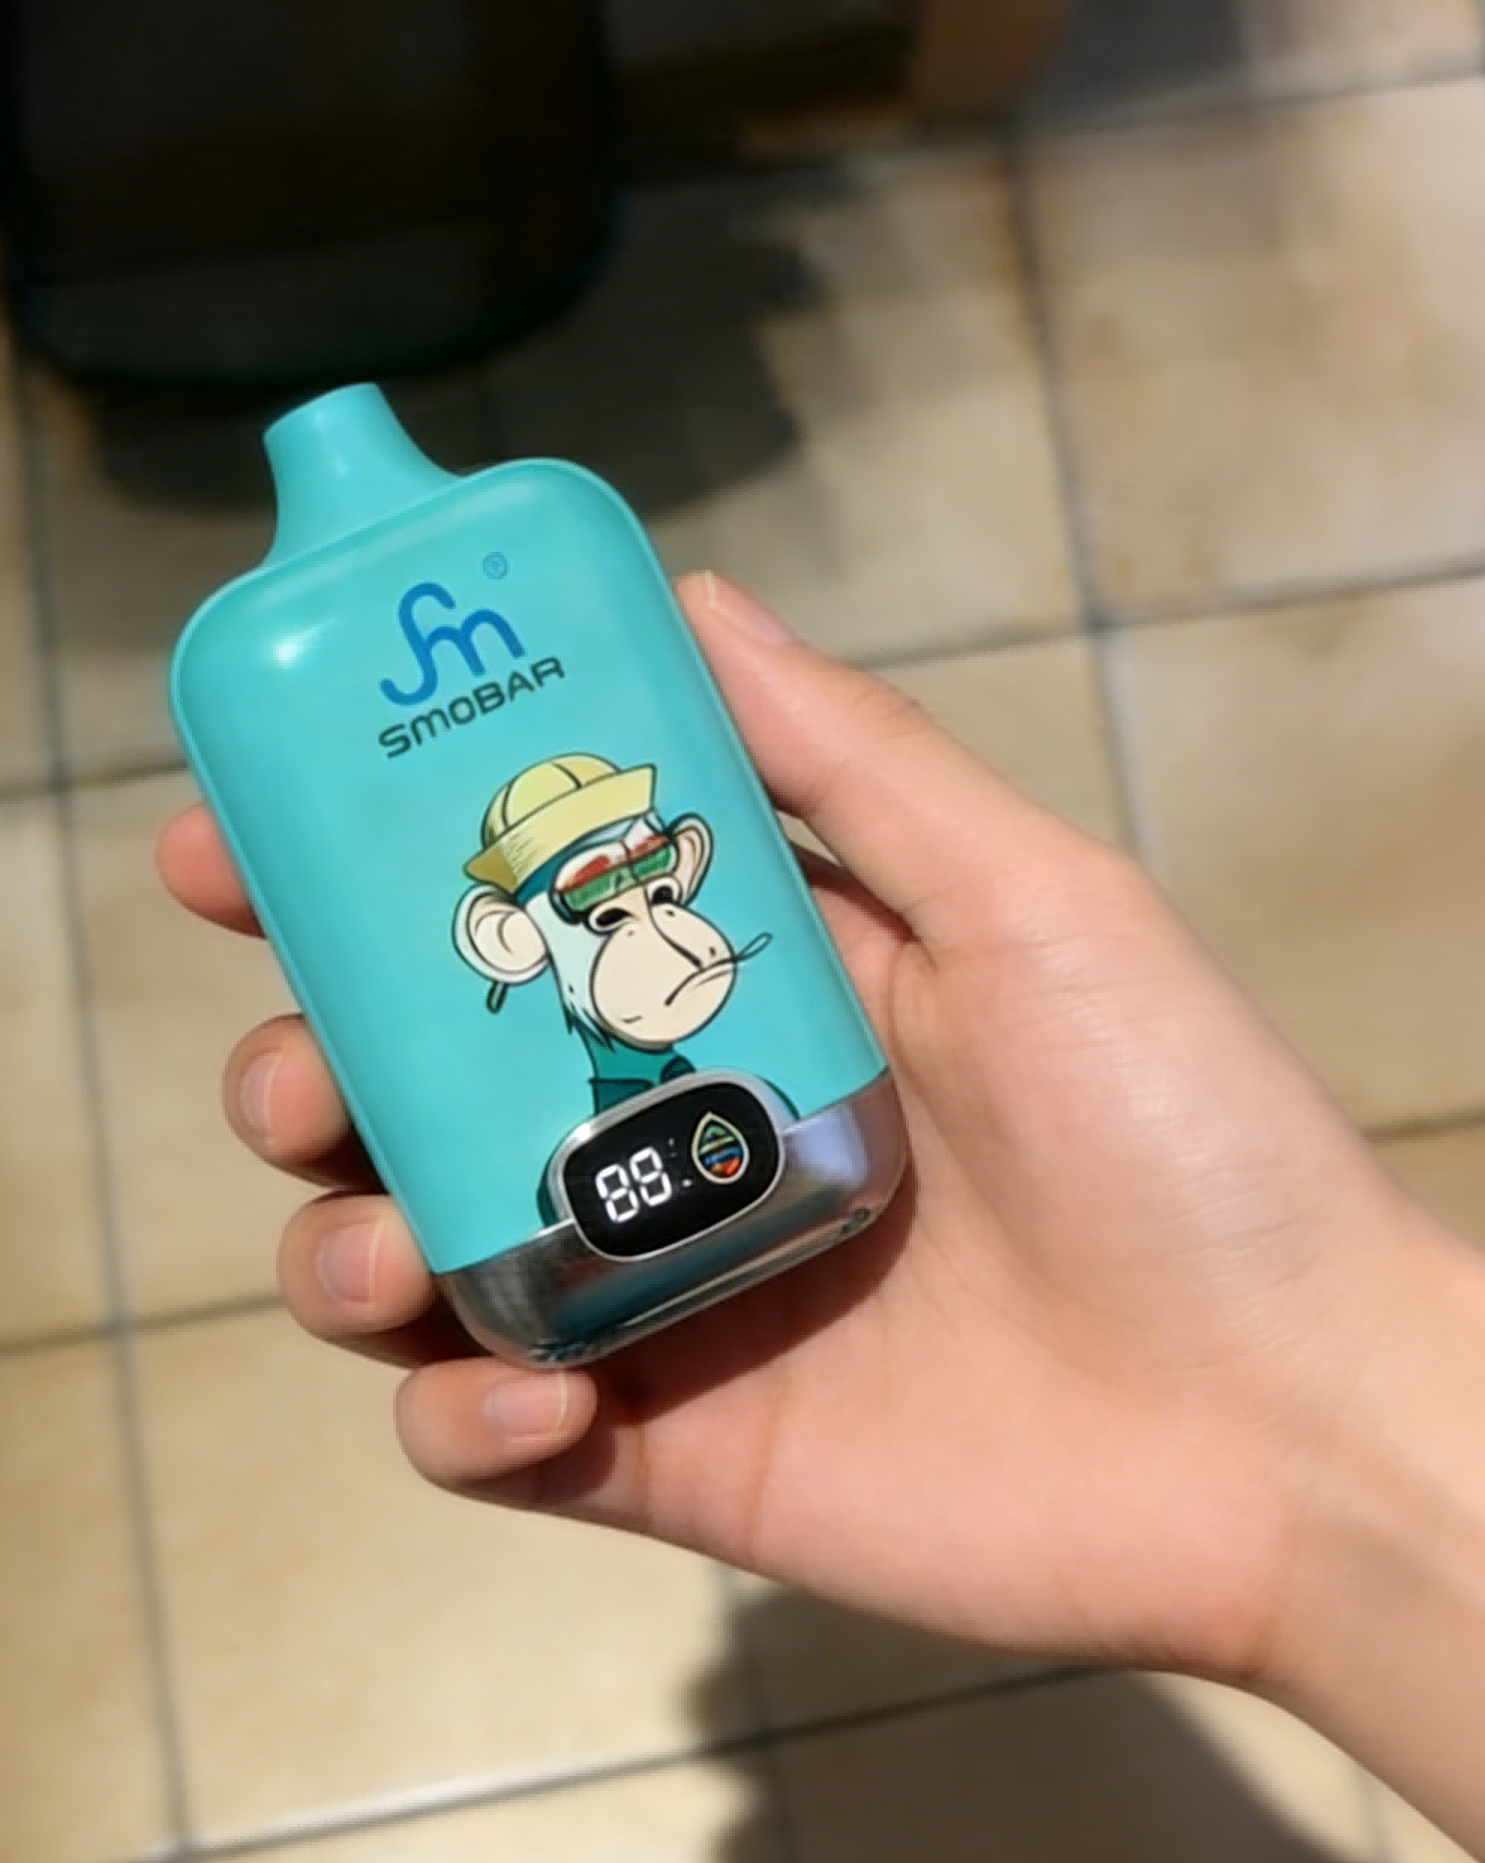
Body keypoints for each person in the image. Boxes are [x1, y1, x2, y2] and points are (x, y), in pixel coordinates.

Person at [157, 571, 1485, 1855]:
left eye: (660, 886)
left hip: (827, 1175)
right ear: (509, 941)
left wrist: (1308, 1453)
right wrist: (1314, 1513)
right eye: (598, 906)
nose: (666, 935)